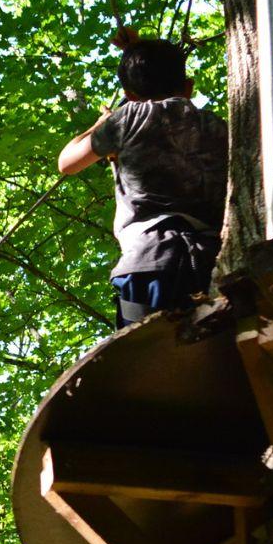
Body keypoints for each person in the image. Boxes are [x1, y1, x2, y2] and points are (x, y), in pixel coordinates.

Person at [54, 33, 228, 328]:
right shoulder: (214, 124)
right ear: (188, 87)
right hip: (213, 260)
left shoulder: (127, 117)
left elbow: (67, 163)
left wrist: (101, 125)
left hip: (148, 262)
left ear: (130, 94)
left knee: (148, 363)